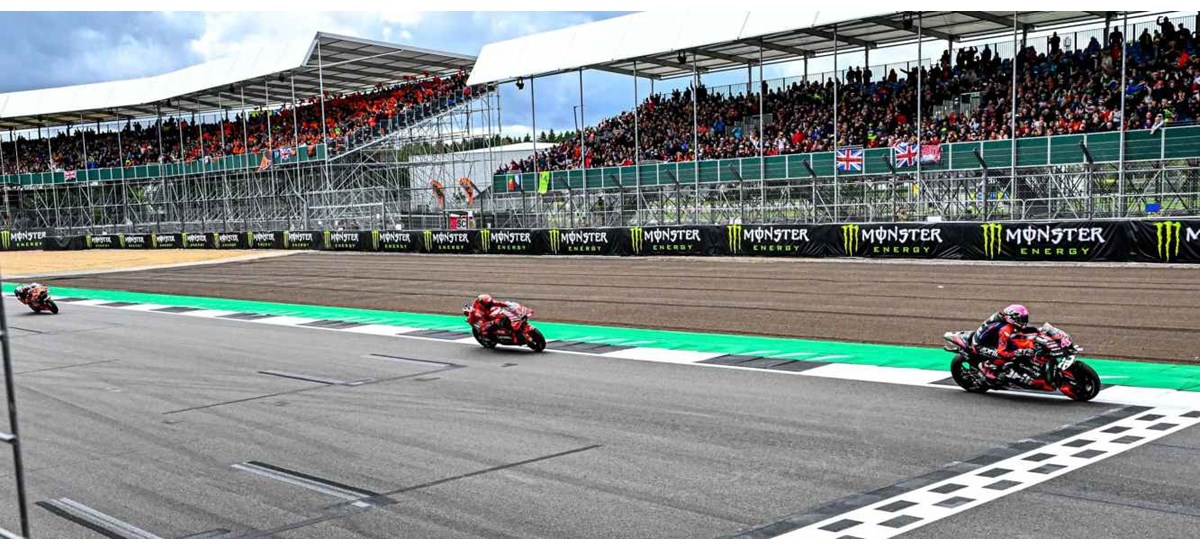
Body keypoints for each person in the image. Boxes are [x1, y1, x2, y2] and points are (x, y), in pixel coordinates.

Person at [972, 304, 1034, 383]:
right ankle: (986, 367)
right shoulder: (1005, 329)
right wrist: (1018, 352)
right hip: (980, 345)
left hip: (990, 339)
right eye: (1021, 319)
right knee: (1003, 357)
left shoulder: (1003, 318)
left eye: (1025, 319)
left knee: (1015, 346)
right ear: (1012, 318)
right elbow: (1002, 352)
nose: (1024, 322)